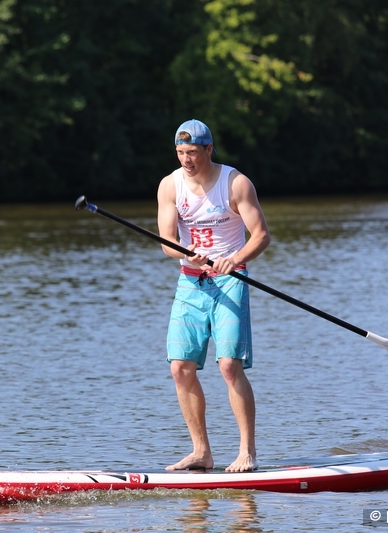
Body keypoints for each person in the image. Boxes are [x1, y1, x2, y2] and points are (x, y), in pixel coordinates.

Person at [157, 119, 270, 472]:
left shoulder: (235, 183)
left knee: (229, 366)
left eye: (192, 152)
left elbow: (261, 235)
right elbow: (166, 241)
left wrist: (233, 259)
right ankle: (201, 452)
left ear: (209, 149)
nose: (186, 160)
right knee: (180, 369)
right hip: (191, 283)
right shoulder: (170, 185)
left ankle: (246, 452)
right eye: (180, 153)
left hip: (231, 281)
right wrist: (183, 252)